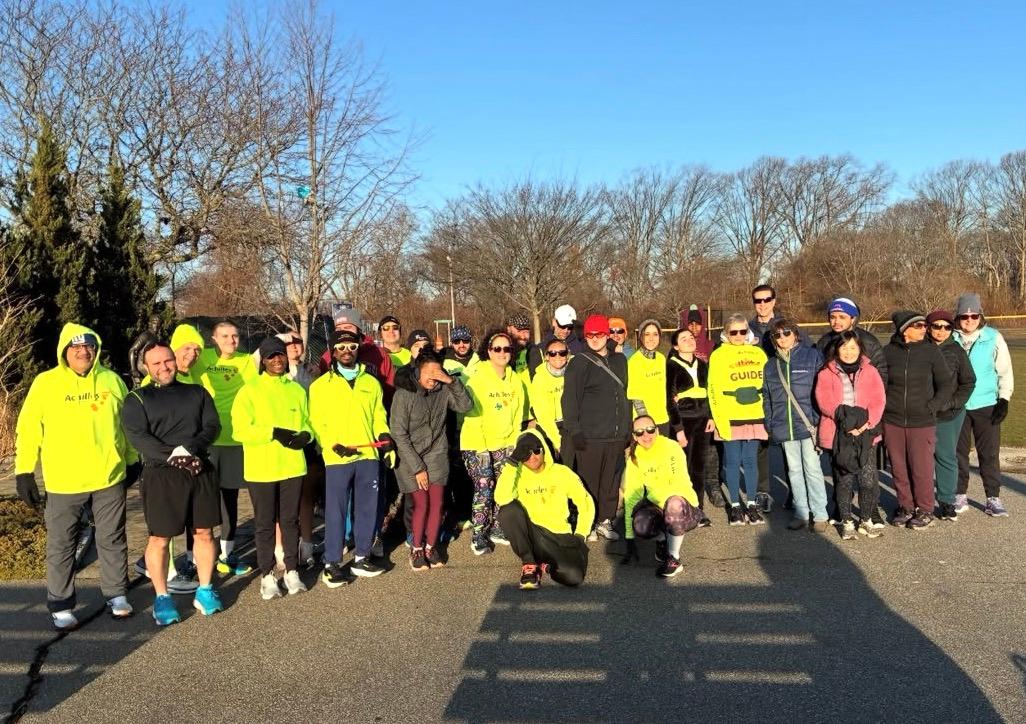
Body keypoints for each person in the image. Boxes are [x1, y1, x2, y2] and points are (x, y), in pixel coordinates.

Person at [15, 323, 139, 629]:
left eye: (89, 347)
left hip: (108, 477)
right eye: (76, 348)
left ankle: (116, 594)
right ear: (64, 352)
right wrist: (24, 471)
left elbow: (127, 424)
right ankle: (61, 602)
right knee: (61, 543)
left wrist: (134, 459)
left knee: (112, 538)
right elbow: (29, 429)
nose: (83, 352)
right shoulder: (46, 383)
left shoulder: (111, 380)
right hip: (64, 481)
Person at [122, 341, 223, 625]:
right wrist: (174, 457)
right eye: (156, 364)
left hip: (199, 470)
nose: (164, 367)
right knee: (160, 538)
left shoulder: (197, 392)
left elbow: (212, 426)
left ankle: (204, 590)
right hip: (161, 475)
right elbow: (139, 438)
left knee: (204, 532)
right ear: (146, 367)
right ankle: (162, 597)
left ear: (175, 361)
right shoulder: (137, 399)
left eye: (167, 361)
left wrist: (190, 449)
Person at [309, 329, 393, 586]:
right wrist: (330, 445)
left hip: (368, 454)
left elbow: (378, 414)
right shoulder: (320, 385)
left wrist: (385, 438)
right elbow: (315, 422)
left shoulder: (370, 382)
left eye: (352, 348)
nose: (347, 352)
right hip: (337, 457)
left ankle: (361, 557)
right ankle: (332, 563)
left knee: (367, 508)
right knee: (336, 511)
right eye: (342, 348)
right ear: (333, 351)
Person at [230, 337, 312, 599]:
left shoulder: (296, 390)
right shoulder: (249, 390)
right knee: (264, 523)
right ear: (262, 361)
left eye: (281, 355)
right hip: (261, 468)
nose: (278, 360)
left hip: (292, 466)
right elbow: (239, 430)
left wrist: (306, 436)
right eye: (271, 356)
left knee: (289, 521)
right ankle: (266, 575)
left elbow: (308, 422)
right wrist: (272, 432)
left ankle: (291, 570)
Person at [135, 322, 206, 593]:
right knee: (165, 525)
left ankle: (151, 563)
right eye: (187, 347)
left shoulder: (192, 379)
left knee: (186, 519)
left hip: (189, 462)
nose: (192, 354)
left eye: (197, 349)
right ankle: (170, 573)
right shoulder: (153, 382)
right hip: (163, 464)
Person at [390, 350, 473, 570]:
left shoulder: (443, 389)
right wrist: (417, 468)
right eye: (428, 372)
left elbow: (465, 406)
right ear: (417, 370)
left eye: (436, 371)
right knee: (422, 503)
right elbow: (398, 434)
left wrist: (450, 380)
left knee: (437, 503)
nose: (432, 377)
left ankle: (431, 546)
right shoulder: (404, 394)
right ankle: (416, 548)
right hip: (410, 456)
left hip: (436, 453)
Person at [194, 321, 257, 576]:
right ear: (213, 339)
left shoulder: (246, 362)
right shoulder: (202, 358)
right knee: (203, 500)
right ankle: (196, 557)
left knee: (230, 500)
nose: (231, 340)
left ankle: (227, 554)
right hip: (207, 441)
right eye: (225, 336)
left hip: (235, 441)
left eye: (235, 336)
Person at [494, 429, 594, 589]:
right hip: (533, 534)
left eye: (536, 450)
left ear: (544, 450)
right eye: (525, 453)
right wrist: (512, 464)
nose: (532, 457)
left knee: (574, 577)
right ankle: (529, 563)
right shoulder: (516, 474)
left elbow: (585, 502)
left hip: (559, 536)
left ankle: (544, 565)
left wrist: (581, 534)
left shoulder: (561, 472)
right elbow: (501, 499)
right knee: (508, 510)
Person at [882, 312, 955, 529]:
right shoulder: (888, 352)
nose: (925, 329)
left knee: (921, 468)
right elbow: (880, 384)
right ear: (904, 329)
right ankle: (905, 506)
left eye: (925, 325)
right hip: (892, 420)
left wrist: (932, 406)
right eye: (919, 326)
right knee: (898, 468)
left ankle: (925, 510)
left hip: (922, 421)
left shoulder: (931, 351)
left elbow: (946, 385)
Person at [561, 314, 631, 541]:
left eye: (599, 334)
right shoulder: (579, 362)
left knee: (610, 482)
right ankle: (588, 521)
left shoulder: (620, 361)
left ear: (606, 335)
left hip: (615, 433)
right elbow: (569, 399)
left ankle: (605, 519)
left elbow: (624, 396)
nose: (594, 339)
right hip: (590, 435)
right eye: (589, 335)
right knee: (589, 481)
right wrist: (575, 430)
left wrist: (627, 429)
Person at [460, 330, 527, 554]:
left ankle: (498, 528)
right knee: (485, 485)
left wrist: (513, 444)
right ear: (488, 351)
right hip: (476, 442)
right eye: (497, 348)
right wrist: (482, 449)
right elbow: (473, 416)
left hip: (505, 441)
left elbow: (517, 416)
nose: (502, 353)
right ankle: (479, 534)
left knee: (505, 484)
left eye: (506, 349)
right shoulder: (477, 379)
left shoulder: (515, 380)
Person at [815, 331, 886, 539]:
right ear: (837, 349)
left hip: (866, 434)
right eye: (844, 347)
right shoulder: (826, 373)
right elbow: (824, 401)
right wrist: (846, 422)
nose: (848, 352)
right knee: (844, 480)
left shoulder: (870, 371)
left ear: (860, 349)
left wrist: (865, 424)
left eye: (853, 347)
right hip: (840, 434)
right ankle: (846, 520)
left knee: (867, 480)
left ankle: (865, 519)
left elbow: (878, 400)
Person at [762, 319, 828, 531]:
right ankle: (801, 512)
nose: (782, 338)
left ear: (796, 334)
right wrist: (770, 422)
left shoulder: (812, 357)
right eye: (777, 335)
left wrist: (818, 420)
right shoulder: (771, 365)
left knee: (813, 469)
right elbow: (767, 397)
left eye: (786, 333)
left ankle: (820, 514)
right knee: (793, 471)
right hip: (783, 426)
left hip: (808, 425)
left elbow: (822, 391)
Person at [953, 293, 1014, 517]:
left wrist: (1004, 399)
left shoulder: (993, 337)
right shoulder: (950, 338)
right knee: (958, 452)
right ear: (957, 317)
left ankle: (993, 498)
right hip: (958, 405)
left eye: (974, 315)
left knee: (988, 453)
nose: (969, 320)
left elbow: (1004, 371)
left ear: (980, 316)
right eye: (964, 316)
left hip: (986, 403)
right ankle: (959, 494)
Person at [621, 416, 702, 577]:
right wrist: (629, 537)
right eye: (640, 432)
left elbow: (677, 484)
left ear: (657, 430)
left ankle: (674, 559)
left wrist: (660, 505)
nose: (646, 436)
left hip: (683, 505)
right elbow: (631, 495)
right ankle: (662, 540)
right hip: (658, 505)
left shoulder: (671, 447)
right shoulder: (634, 457)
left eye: (650, 430)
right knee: (641, 524)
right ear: (634, 436)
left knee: (673, 504)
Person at [708, 314, 768, 526]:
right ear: (726, 333)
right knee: (732, 462)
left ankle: (751, 504)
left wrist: (767, 415)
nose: (738, 336)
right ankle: (734, 506)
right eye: (733, 332)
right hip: (730, 415)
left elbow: (767, 385)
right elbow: (713, 388)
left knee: (751, 462)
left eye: (743, 331)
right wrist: (719, 418)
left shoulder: (759, 353)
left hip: (755, 415)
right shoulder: (718, 355)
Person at [926, 310, 976, 522]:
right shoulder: (920, 349)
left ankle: (946, 501)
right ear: (928, 327)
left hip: (949, 413)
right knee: (921, 460)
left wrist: (953, 402)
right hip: (922, 413)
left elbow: (968, 382)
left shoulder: (956, 351)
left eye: (947, 327)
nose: (942, 331)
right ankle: (921, 501)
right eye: (937, 326)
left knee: (945, 457)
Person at [666, 328, 715, 525]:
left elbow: (709, 392)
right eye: (683, 339)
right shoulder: (671, 366)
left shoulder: (703, 364)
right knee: (681, 468)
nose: (689, 341)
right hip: (683, 423)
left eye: (691, 338)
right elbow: (669, 400)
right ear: (676, 346)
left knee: (698, 467)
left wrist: (710, 416)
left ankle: (698, 509)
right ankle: (681, 510)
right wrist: (678, 429)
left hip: (702, 421)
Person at [441, 324, 479, 530]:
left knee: (471, 471)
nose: (462, 345)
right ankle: (456, 513)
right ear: (451, 343)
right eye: (457, 341)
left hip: (474, 422)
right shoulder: (444, 362)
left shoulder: (479, 361)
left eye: (465, 341)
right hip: (451, 424)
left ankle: (470, 512)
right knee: (453, 472)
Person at [317, 305, 395, 405]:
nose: (343, 331)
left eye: (348, 327)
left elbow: (389, 391)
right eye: (339, 328)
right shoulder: (328, 357)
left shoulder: (379, 354)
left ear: (358, 329)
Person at [815, 297, 888, 383]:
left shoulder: (868, 342)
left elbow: (881, 373)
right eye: (833, 317)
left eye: (842, 317)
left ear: (853, 319)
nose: (836, 321)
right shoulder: (824, 342)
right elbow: (817, 372)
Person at [627, 319, 670, 436]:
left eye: (655, 334)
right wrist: (646, 423)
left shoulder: (661, 358)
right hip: (645, 423)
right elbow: (635, 396)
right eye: (647, 334)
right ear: (641, 337)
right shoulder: (635, 361)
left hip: (663, 419)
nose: (651, 338)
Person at [529, 338, 570, 460]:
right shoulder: (539, 379)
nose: (557, 356)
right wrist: (557, 441)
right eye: (552, 353)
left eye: (562, 353)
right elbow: (543, 415)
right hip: (548, 428)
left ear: (567, 355)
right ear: (546, 356)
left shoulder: (573, 372)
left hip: (569, 425)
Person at [527, 303, 585, 376]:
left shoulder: (581, 347)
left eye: (570, 327)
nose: (566, 330)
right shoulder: (539, 349)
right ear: (554, 322)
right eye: (562, 326)